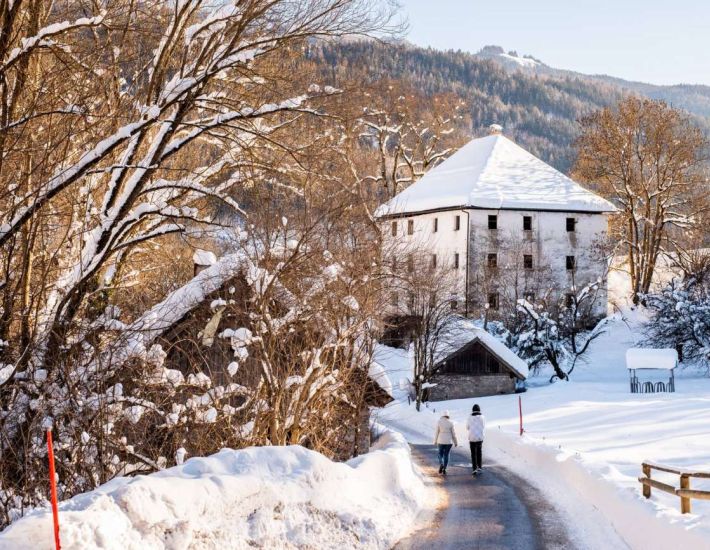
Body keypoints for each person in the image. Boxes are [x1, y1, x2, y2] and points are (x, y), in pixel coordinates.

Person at [433, 410, 457, 475]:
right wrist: (455, 442)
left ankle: (441, 463)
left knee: (440, 454)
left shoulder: (439, 422)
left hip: (440, 441)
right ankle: (445, 469)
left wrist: (435, 441)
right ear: (448, 415)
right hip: (449, 442)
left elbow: (437, 432)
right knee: (446, 454)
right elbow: (453, 433)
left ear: (442, 415)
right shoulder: (451, 422)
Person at [466, 404, 485, 475]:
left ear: (473, 410)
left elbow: (467, 427)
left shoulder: (469, 418)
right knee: (479, 452)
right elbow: (483, 426)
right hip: (480, 437)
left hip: (472, 437)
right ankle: (479, 466)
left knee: (473, 453)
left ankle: (474, 468)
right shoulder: (482, 417)